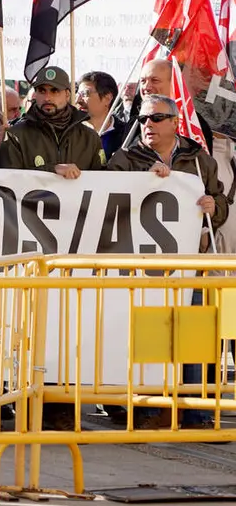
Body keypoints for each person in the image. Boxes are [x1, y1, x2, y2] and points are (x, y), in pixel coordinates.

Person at [109, 95, 228, 432]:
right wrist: (145, 181)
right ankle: (148, 411)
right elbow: (109, 198)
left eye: (157, 118)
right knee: (151, 338)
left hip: (191, 261)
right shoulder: (126, 158)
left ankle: (197, 415)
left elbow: (219, 199)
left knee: (192, 338)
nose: (148, 125)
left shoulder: (199, 159)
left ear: (175, 122)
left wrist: (212, 207)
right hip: (144, 265)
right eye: (143, 119)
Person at [0, 66, 104, 178]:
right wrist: (52, 170)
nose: (47, 98)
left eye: (55, 91)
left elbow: (102, 182)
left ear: (67, 95)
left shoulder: (90, 138)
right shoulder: (15, 135)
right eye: (42, 91)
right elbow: (9, 181)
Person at [134, 59, 213, 153]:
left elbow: (203, 163)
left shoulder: (191, 121)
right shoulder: (133, 122)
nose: (146, 87)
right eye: (143, 81)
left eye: (155, 80)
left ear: (173, 83)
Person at [77, 71, 123, 161]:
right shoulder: (69, 133)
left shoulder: (127, 134)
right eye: (78, 94)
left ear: (107, 98)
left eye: (85, 94)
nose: (78, 100)